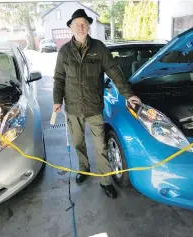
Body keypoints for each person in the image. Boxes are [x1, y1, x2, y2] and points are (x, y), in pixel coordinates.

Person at [52, 9, 141, 199]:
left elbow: (114, 71)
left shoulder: (99, 48)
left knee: (100, 146)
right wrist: (56, 101)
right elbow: (59, 78)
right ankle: (84, 169)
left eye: (84, 23)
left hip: (94, 107)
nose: (81, 27)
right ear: (71, 27)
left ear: (89, 26)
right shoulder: (64, 52)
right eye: (77, 24)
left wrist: (128, 94)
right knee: (78, 142)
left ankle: (106, 181)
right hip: (73, 108)